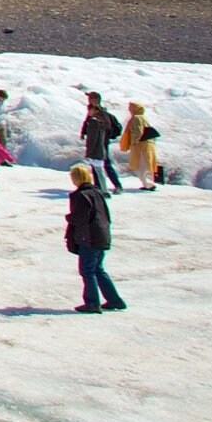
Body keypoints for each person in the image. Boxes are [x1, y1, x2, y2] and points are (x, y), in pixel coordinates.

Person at [66, 163, 125, 312]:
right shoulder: (96, 192)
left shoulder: (81, 195)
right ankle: (114, 300)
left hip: (90, 238)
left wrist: (69, 218)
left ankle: (92, 303)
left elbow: (80, 218)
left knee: (87, 271)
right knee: (98, 269)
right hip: (102, 235)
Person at [81, 94, 124, 194]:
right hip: (96, 142)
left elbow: (105, 127)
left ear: (97, 99)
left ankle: (116, 185)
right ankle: (98, 186)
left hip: (101, 143)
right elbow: (87, 123)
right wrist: (83, 132)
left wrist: (100, 136)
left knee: (105, 164)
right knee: (96, 164)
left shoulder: (101, 113)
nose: (89, 100)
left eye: (91, 98)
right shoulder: (93, 112)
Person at [121, 103, 158, 190]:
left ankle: (147, 184)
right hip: (147, 145)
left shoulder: (136, 118)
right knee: (144, 166)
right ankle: (148, 184)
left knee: (139, 167)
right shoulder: (143, 117)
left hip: (140, 146)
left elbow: (138, 131)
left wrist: (134, 142)